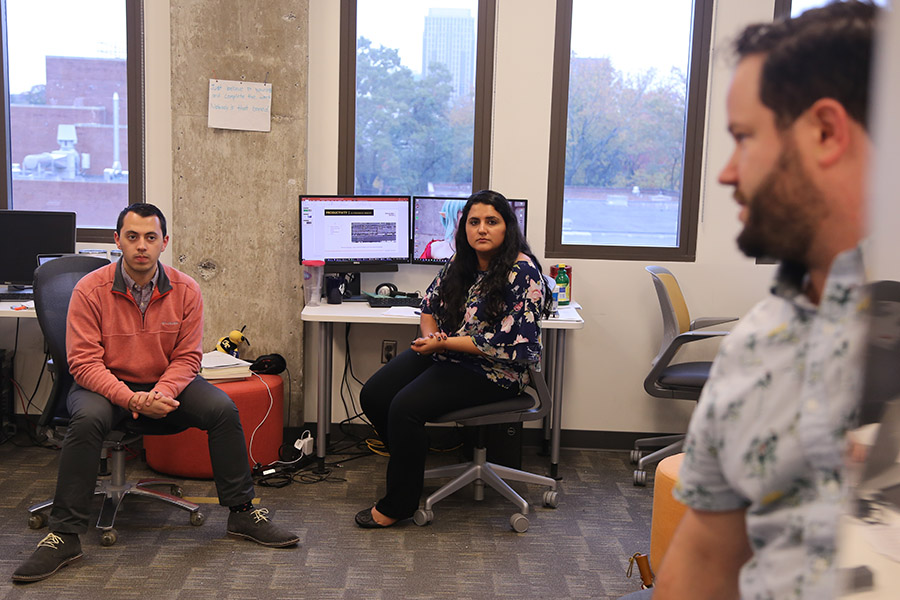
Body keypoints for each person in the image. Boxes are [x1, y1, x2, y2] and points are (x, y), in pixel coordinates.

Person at [645, 2, 879, 599]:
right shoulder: (765, 340)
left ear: (825, 132)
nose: (725, 173)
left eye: (744, 138)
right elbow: (704, 559)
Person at [12, 203, 299, 584]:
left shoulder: (186, 290)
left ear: (165, 242)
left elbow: (186, 358)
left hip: (166, 384)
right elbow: (82, 363)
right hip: (105, 385)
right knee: (86, 419)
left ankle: (243, 512)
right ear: (117, 241)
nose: (141, 246)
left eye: (150, 237)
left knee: (222, 408)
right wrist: (130, 398)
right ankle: (64, 534)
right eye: (132, 237)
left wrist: (160, 392)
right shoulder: (89, 290)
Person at [356, 189, 547, 528]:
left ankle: (398, 504)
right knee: (374, 395)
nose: (482, 229)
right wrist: (432, 337)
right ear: (464, 228)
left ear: (508, 228)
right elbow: (429, 305)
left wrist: (446, 345)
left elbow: (512, 344)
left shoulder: (523, 272)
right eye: (474, 222)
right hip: (450, 353)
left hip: (496, 372)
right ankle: (411, 458)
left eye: (492, 221)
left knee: (404, 408)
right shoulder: (463, 263)